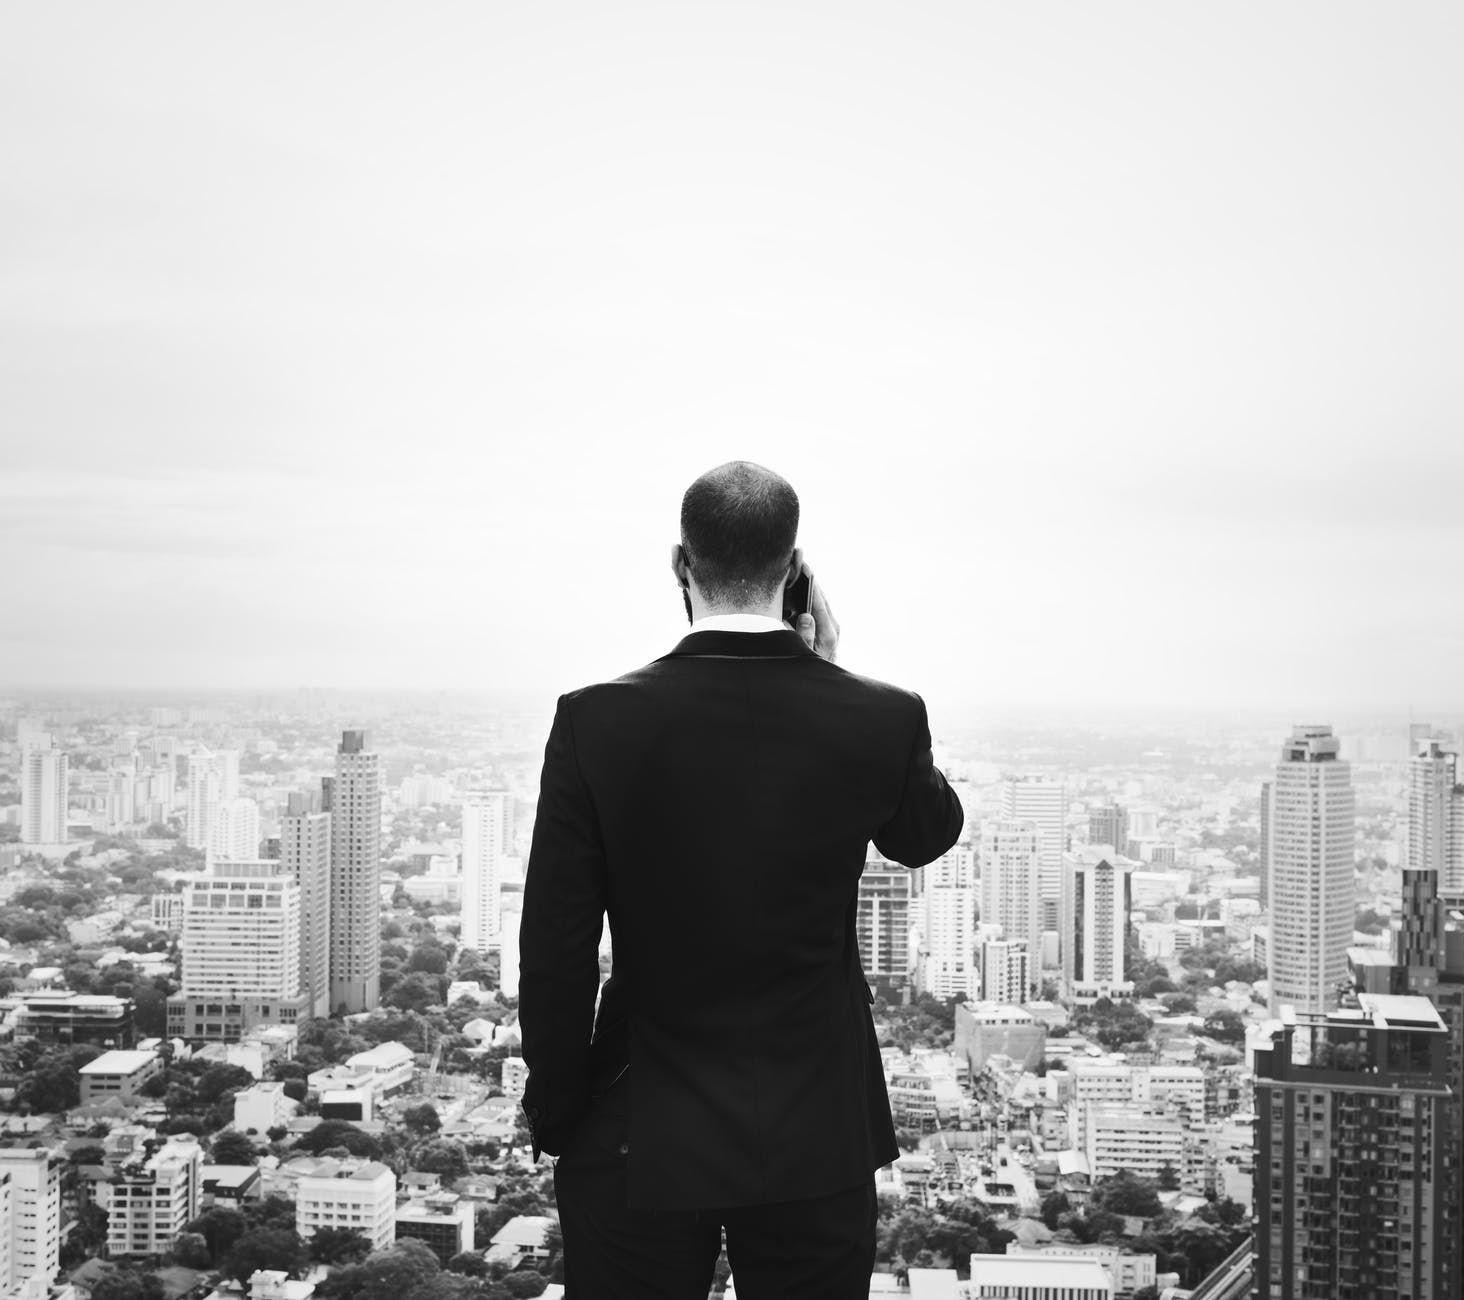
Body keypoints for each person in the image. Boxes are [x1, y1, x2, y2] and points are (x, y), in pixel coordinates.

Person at [519, 460, 964, 1298]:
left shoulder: (595, 720)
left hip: (634, 1123)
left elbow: (556, 948)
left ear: (679, 565)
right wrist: (831, 668)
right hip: (818, 1127)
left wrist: (559, 1112)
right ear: (795, 569)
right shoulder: (881, 714)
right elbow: (926, 835)